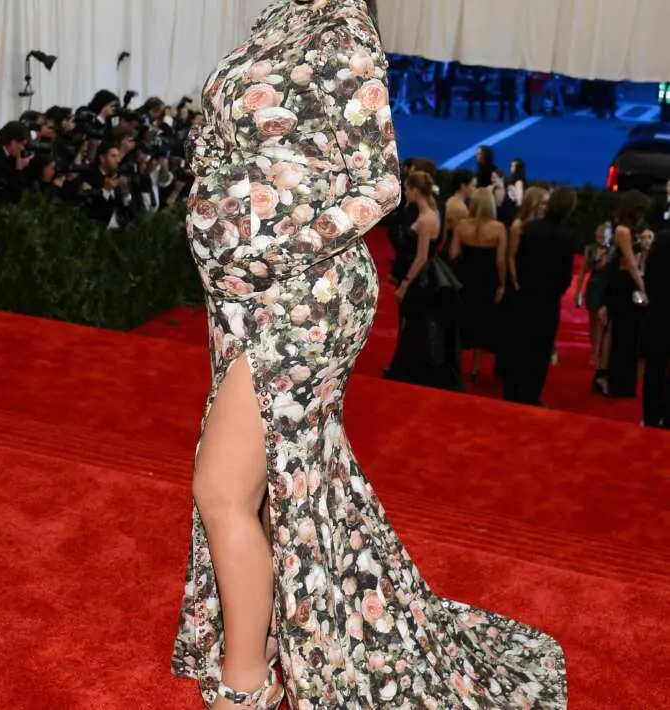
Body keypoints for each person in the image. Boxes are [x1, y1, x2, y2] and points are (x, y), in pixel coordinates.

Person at [172, 1, 566, 708]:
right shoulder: (273, 21)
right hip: (239, 294)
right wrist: (215, 209)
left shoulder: (345, 31)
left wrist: (271, 250)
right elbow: (224, 140)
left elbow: (379, 183)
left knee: (221, 486)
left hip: (305, 296)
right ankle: (266, 635)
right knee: (270, 477)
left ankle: (246, 683)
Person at [387, 171, 462, 390]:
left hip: (418, 281)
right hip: (422, 277)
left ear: (416, 191)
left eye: (407, 189)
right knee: (415, 325)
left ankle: (412, 373)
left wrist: (404, 284)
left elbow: (421, 257)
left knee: (415, 325)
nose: (405, 192)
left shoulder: (426, 219)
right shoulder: (433, 213)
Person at [502, 188, 577, 406]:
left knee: (518, 342)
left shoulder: (531, 229)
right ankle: (530, 394)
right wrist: (556, 290)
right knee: (540, 348)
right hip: (548, 300)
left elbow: (518, 259)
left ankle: (511, 389)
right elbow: (565, 275)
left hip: (525, 294)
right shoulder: (566, 236)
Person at [595, 190, 650, 398]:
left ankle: (619, 380)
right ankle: (614, 380)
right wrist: (643, 287)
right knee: (621, 332)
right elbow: (630, 263)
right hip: (622, 284)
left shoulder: (631, 231)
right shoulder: (623, 231)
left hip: (628, 282)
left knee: (628, 333)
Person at [450, 188, 508, 381]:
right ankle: (475, 368)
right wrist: (502, 285)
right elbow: (500, 261)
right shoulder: (499, 228)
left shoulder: (461, 225)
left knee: (463, 321)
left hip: (465, 279)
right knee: (482, 323)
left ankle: (456, 365)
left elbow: (453, 254)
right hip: (488, 282)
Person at [575, 223, 615, 366]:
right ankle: (594, 348)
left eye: (604, 234)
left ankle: (600, 351)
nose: (601, 236)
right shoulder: (590, 249)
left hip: (608, 287)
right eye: (599, 233)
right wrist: (578, 292)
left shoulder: (614, 250)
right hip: (593, 286)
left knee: (602, 321)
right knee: (593, 320)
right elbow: (582, 271)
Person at [642, 229, 670, 427]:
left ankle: (651, 416)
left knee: (654, 365)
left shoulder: (662, 239)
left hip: (659, 309)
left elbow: (649, 275)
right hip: (659, 307)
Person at [442, 168, 476, 259]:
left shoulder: (454, 201)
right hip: (452, 252)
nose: (475, 189)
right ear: (463, 186)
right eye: (473, 186)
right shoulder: (458, 207)